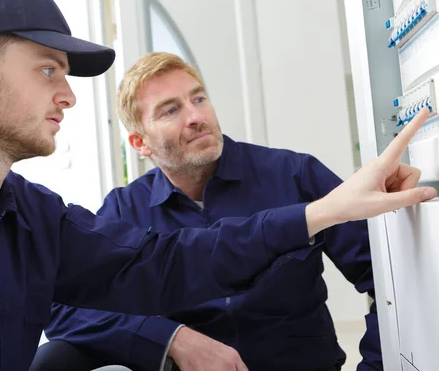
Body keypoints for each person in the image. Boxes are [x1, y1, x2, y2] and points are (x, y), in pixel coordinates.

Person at [0, 0, 433, 370]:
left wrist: (325, 210)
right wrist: (170, 342)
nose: (68, 96)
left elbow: (169, 265)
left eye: (198, 98)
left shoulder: (32, 216)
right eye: (49, 69)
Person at [38, 52, 427, 371]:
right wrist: (171, 340)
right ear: (140, 142)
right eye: (170, 110)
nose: (196, 116)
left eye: (198, 98)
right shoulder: (124, 208)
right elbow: (63, 310)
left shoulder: (295, 174)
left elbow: (387, 276)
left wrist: (374, 367)